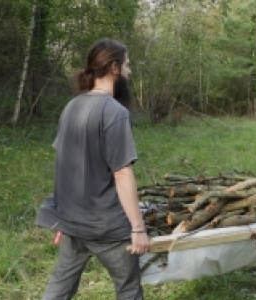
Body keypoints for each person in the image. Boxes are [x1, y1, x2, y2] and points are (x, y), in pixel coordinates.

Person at [35, 38, 150, 300]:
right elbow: (122, 173)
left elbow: (65, 163)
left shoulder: (71, 107)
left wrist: (63, 216)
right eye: (127, 65)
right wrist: (138, 228)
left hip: (73, 222)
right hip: (106, 226)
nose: (129, 72)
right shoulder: (114, 112)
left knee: (58, 289)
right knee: (129, 290)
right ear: (114, 68)